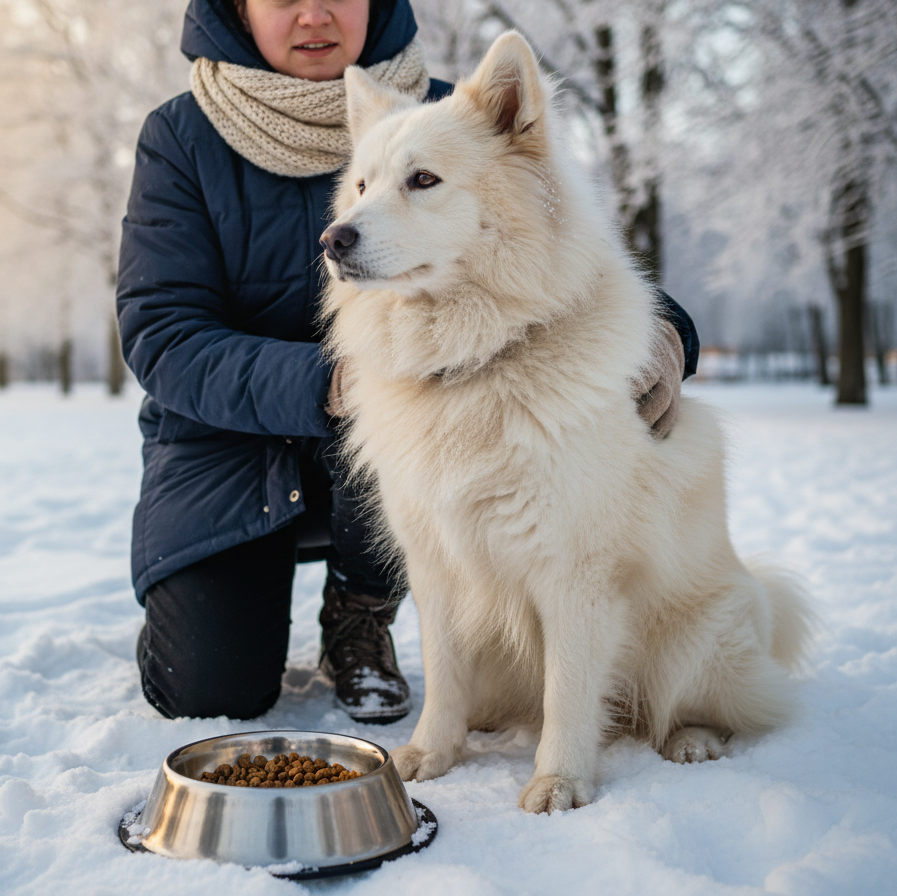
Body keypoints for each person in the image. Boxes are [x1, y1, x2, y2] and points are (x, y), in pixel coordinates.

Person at [116, 0, 699, 724]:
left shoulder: (452, 119)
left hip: (417, 428)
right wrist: (330, 383)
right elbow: (163, 333)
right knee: (209, 690)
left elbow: (556, 242)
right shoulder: (182, 136)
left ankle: (360, 613)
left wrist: (667, 331)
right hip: (230, 448)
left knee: (417, 438)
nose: (313, 15)